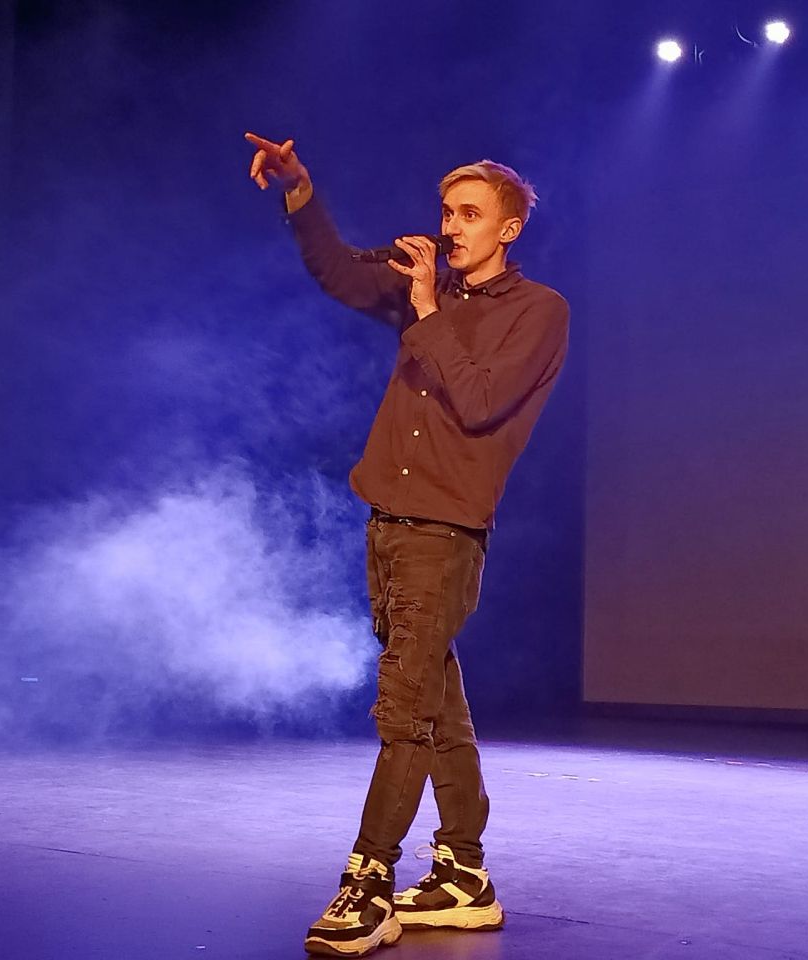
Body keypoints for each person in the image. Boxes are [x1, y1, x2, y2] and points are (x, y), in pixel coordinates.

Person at [244, 131, 570, 958]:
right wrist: (299, 188)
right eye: (447, 211)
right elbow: (341, 272)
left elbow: (481, 401)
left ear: (509, 229)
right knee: (433, 700)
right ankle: (463, 873)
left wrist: (426, 312)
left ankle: (369, 881)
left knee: (404, 711)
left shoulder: (538, 312)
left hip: (445, 533)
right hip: (388, 522)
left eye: (470, 214)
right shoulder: (434, 289)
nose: (451, 226)